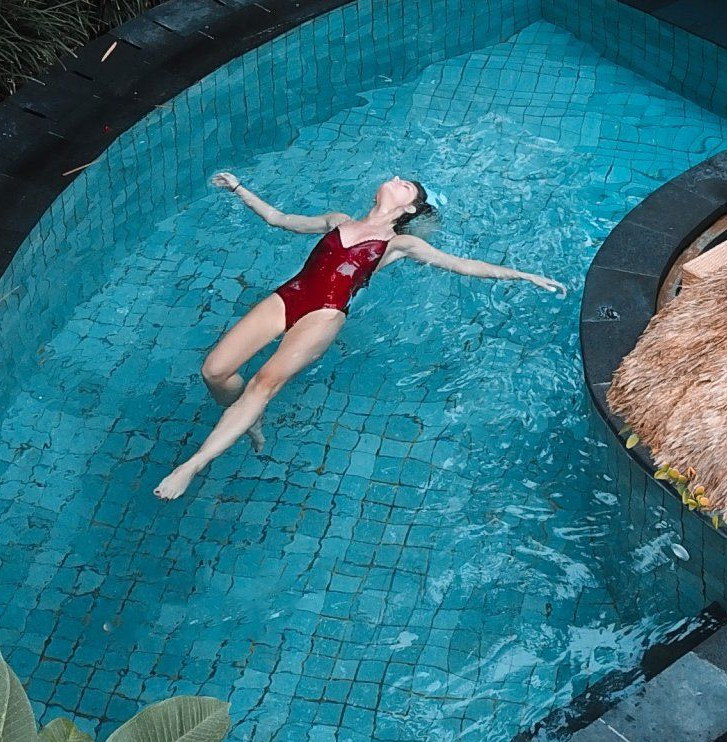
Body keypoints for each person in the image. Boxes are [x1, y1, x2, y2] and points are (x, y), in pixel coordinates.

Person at [154, 172, 566, 500]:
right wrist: (240, 188)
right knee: (215, 371)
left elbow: (463, 265)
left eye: (406, 183)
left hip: (325, 313)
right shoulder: (338, 220)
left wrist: (524, 274)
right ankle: (248, 419)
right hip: (290, 294)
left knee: (263, 383)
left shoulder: (400, 243)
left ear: (410, 206)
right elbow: (279, 219)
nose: (396, 179)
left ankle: (192, 465)